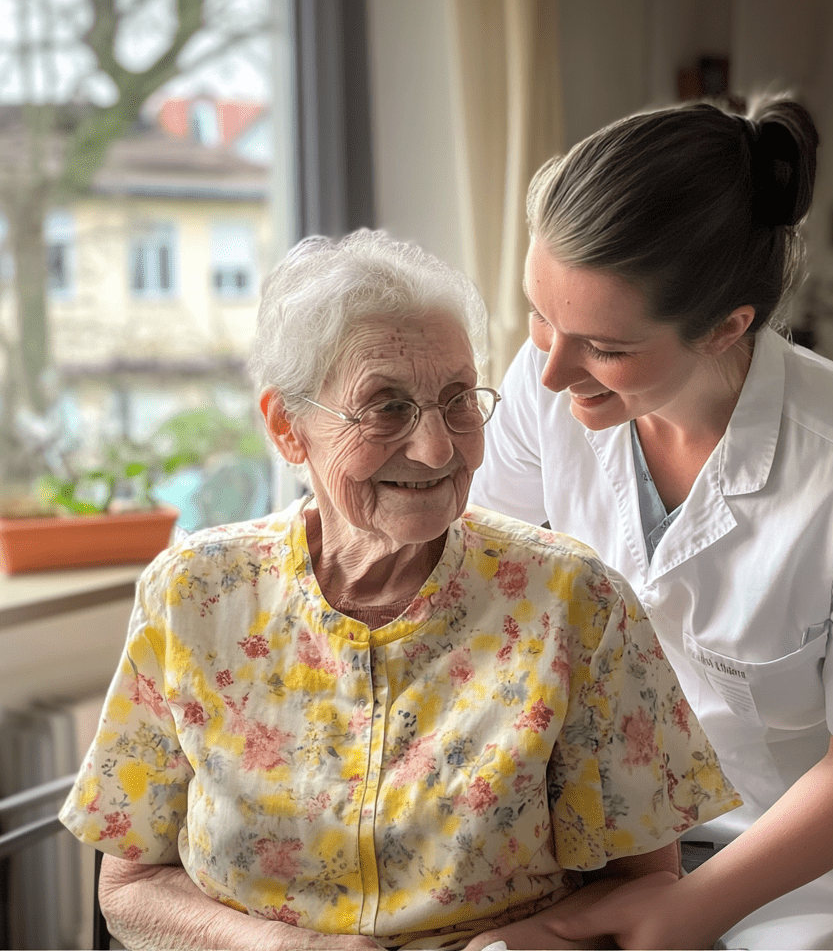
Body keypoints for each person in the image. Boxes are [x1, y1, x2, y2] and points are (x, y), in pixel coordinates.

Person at [59, 230, 740, 951]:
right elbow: (129, 889)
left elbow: (647, 883)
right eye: (386, 408)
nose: (438, 449)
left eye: (458, 402)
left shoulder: (575, 603)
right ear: (289, 430)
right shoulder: (193, 594)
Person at [469, 97, 833, 951]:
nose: (553, 367)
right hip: (608, 841)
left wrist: (688, 910)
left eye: (604, 346)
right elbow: (484, 588)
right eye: (540, 316)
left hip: (823, 871)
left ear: (726, 327)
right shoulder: (550, 383)